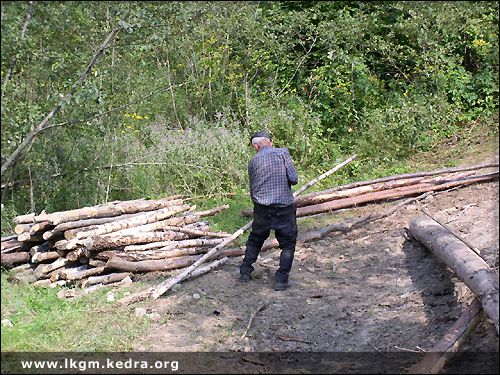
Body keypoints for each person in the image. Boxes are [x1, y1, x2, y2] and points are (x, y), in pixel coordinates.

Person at [239, 130, 299, 291]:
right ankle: (281, 280)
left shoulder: (253, 161)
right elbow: (294, 179)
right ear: (270, 142)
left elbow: (253, 190)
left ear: (256, 146)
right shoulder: (282, 153)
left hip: (262, 208)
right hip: (284, 208)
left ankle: (245, 272)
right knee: (288, 244)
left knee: (255, 240)